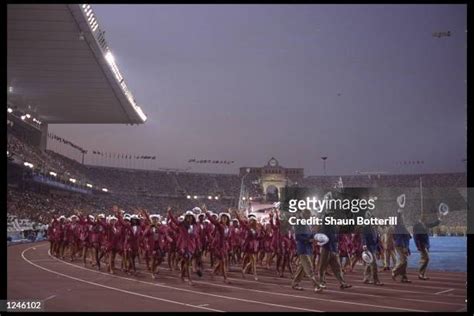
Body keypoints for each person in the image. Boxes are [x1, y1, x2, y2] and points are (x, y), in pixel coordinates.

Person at [291, 209, 323, 293]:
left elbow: (311, 234)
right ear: (304, 214)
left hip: (308, 249)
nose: (310, 216)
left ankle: (295, 283)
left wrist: (316, 237)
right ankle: (316, 286)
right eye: (308, 214)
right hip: (303, 249)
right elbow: (298, 237)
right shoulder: (299, 223)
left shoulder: (307, 223)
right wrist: (308, 240)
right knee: (309, 268)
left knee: (302, 268)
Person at [318, 213, 352, 289]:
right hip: (326, 249)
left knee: (337, 268)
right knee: (322, 267)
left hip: (334, 249)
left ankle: (343, 283)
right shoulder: (325, 225)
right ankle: (322, 283)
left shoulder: (334, 227)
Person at [413, 213, 441, 280]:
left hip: (425, 245)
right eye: (425, 219)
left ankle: (421, 274)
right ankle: (421, 273)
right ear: (422, 219)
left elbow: (432, 224)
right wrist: (418, 246)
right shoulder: (417, 226)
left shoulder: (424, 224)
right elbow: (415, 237)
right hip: (421, 245)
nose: (426, 220)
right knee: (426, 259)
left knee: (424, 259)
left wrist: (439, 220)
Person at [361, 212, 383, 285]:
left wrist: (379, 249)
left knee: (368, 264)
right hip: (368, 248)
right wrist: (364, 245)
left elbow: (377, 240)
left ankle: (366, 279)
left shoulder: (375, 228)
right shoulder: (366, 227)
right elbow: (363, 236)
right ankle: (376, 280)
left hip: (373, 248)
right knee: (374, 265)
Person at [392, 210, 412, 283]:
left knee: (404, 261)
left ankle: (404, 277)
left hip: (401, 245)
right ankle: (395, 271)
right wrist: (405, 247)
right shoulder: (400, 226)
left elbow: (406, 237)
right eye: (402, 217)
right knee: (404, 261)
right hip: (400, 245)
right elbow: (405, 237)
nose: (404, 218)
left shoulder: (399, 227)